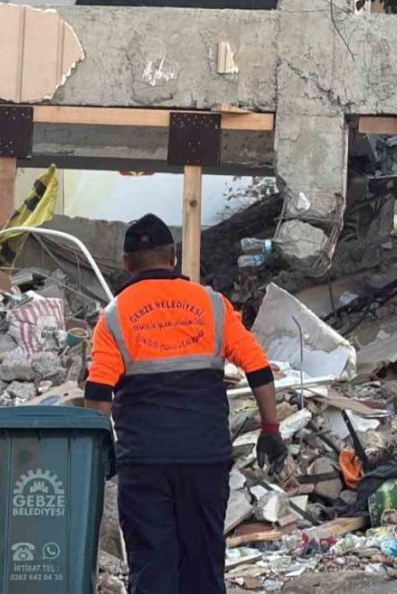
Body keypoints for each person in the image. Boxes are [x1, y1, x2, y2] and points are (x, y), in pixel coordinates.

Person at [83, 213, 287, 594]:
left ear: (127, 264)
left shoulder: (114, 317)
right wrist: (271, 429)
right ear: (173, 256)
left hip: (145, 461)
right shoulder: (212, 305)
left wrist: (102, 452)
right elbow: (258, 367)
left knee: (152, 565)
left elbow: (98, 395)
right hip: (205, 458)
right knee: (204, 564)